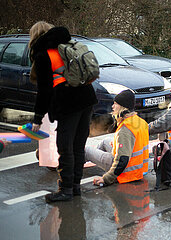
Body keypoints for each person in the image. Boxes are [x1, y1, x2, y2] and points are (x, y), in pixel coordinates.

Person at [29, 21, 98, 203]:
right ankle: (75, 186)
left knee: (65, 147)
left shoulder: (43, 54)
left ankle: (65, 190)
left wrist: (37, 118)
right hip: (87, 97)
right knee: (78, 145)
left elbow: (45, 90)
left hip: (69, 103)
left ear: (35, 36)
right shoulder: (68, 45)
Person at [85, 90, 149, 186]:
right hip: (139, 168)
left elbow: (122, 160)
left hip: (127, 171)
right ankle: (90, 158)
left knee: (86, 150)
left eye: (115, 104)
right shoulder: (140, 121)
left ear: (123, 107)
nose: (112, 107)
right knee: (105, 141)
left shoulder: (125, 129)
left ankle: (72, 167)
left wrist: (106, 179)